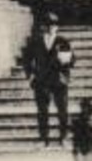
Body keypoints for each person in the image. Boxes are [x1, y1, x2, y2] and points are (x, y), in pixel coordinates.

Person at [20, 13, 75, 146]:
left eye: (54, 25)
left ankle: (63, 136)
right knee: (42, 110)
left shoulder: (63, 41)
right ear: (43, 26)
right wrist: (30, 75)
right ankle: (43, 138)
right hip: (41, 79)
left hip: (58, 79)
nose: (52, 28)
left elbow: (71, 61)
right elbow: (26, 59)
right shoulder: (36, 41)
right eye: (49, 25)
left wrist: (65, 63)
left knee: (62, 109)